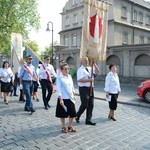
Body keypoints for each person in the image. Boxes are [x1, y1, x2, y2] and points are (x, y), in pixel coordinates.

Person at [76, 57, 100, 125]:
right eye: (85, 60)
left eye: (87, 60)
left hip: (91, 88)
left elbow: (98, 71)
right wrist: (89, 80)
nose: (87, 61)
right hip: (83, 89)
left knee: (91, 104)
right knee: (84, 104)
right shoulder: (80, 70)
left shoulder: (90, 68)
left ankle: (88, 120)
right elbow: (79, 80)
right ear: (82, 62)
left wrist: (94, 64)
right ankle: (77, 115)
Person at [56, 63, 76, 133]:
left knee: (73, 113)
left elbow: (72, 85)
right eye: (65, 69)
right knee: (63, 114)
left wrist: (73, 91)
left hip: (70, 97)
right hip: (63, 98)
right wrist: (60, 99)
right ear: (61, 70)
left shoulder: (69, 76)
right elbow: (58, 89)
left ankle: (70, 126)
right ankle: (63, 126)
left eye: (68, 68)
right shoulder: (59, 78)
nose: (67, 70)